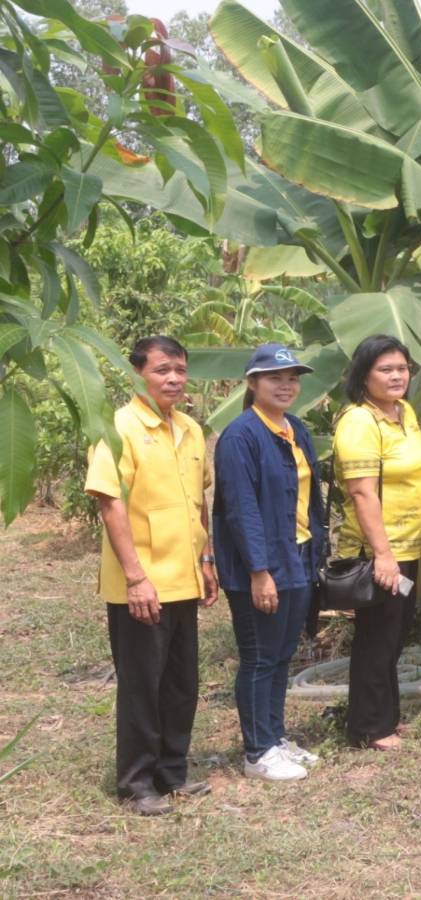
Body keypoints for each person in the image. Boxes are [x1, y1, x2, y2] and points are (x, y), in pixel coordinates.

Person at [85, 336, 219, 815]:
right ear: (138, 373)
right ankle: (136, 783)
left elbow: (199, 499)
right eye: (163, 370)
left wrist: (207, 560)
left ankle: (172, 771)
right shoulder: (118, 425)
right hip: (141, 582)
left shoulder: (189, 428)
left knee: (181, 682)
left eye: (180, 370)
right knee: (142, 683)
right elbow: (109, 501)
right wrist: (137, 577)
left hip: (184, 575)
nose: (174, 379)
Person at [212, 344, 327, 782]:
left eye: (292, 377)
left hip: (296, 555)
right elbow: (241, 509)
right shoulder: (241, 435)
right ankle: (257, 751)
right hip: (259, 565)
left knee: (281, 655)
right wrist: (259, 572)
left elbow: (309, 499)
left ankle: (276, 738)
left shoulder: (294, 428)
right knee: (259, 656)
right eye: (274, 377)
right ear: (252, 383)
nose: (286, 385)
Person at [333, 336, 421, 750]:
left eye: (402, 368)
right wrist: (383, 555)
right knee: (376, 637)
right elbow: (362, 493)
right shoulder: (359, 421)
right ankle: (368, 728)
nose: (396, 376)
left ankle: (386, 717)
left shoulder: (404, 413)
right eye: (385, 369)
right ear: (364, 375)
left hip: (407, 546)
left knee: (394, 635)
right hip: (378, 550)